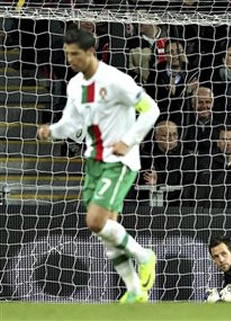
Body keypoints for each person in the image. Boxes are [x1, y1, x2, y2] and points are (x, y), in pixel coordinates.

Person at [37, 29, 159, 303]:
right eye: (67, 54)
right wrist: (51, 131)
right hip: (93, 160)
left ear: (91, 52)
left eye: (75, 54)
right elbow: (70, 123)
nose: (70, 60)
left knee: (94, 221)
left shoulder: (117, 81)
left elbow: (151, 109)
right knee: (106, 231)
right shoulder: (74, 85)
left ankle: (144, 256)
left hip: (119, 161)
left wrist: (128, 141)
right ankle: (135, 290)